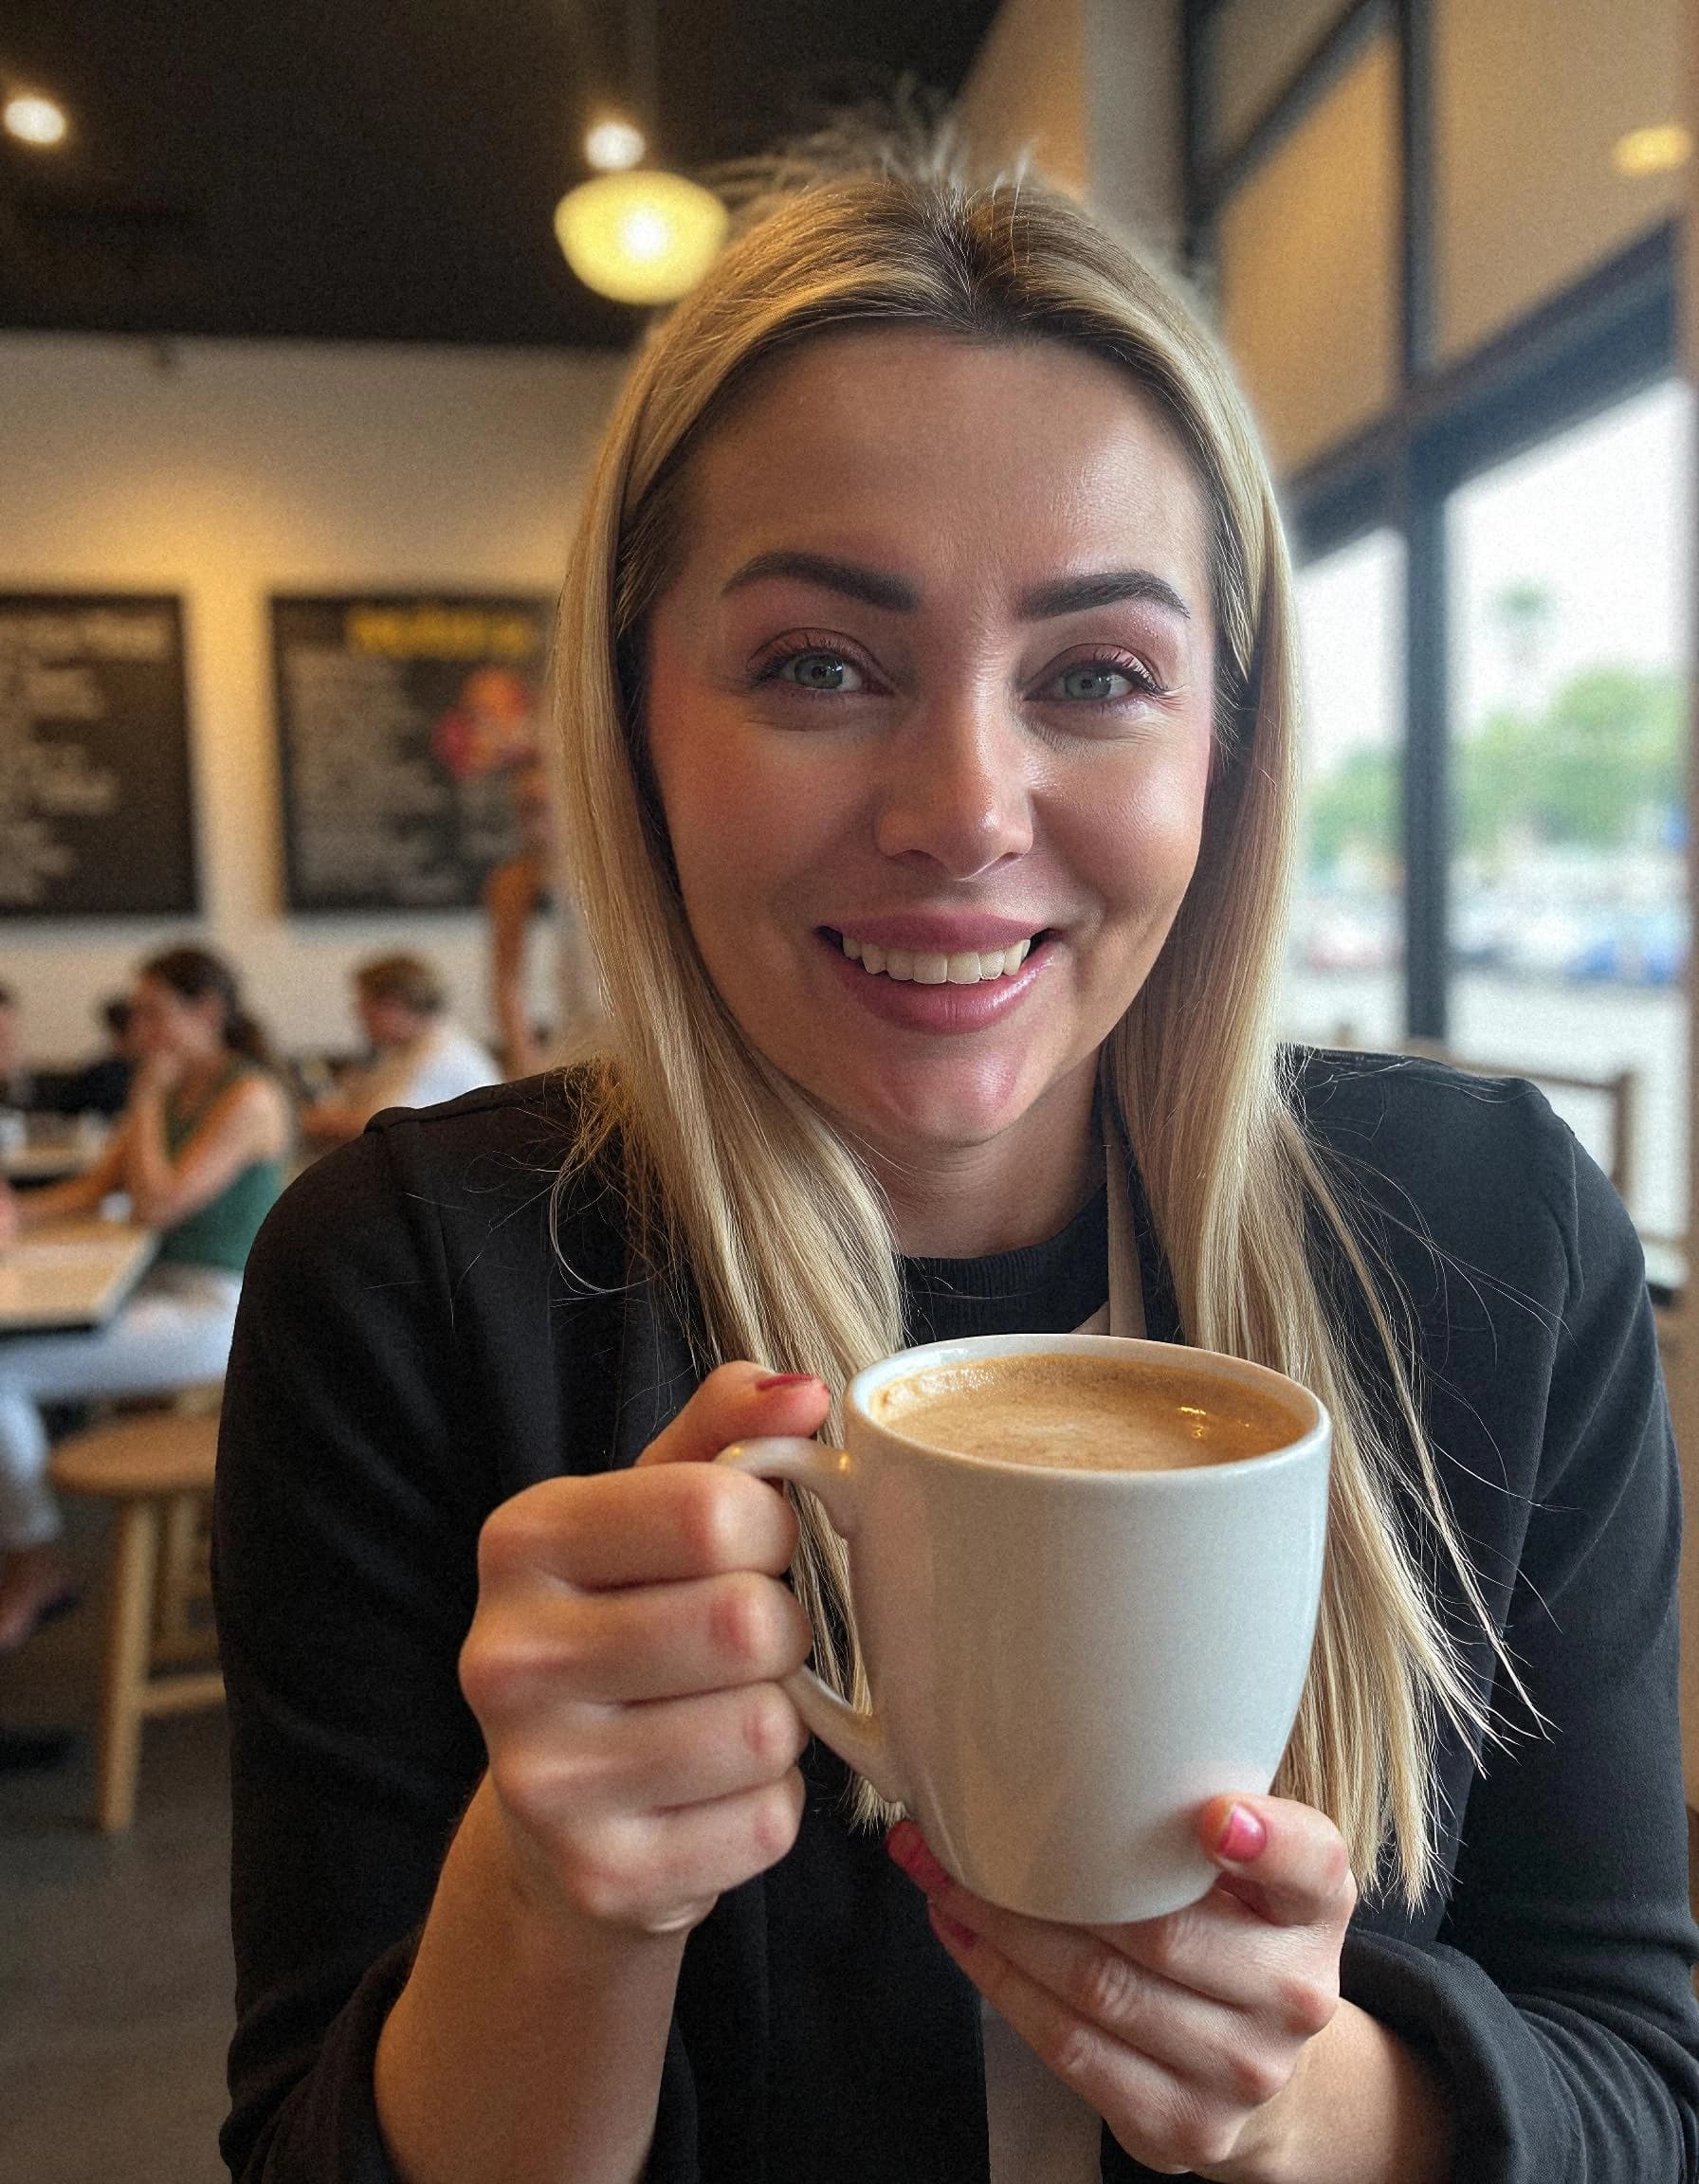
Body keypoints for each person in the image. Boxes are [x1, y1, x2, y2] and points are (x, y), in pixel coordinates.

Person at [213, 158, 1699, 2184]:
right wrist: (554, 1906)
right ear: (639, 716)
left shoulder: (1487, 1235)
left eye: (1091, 675)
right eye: (821, 663)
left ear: (1223, 747)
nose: (961, 811)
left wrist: (1318, 2109)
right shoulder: (409, 1281)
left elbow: (1641, 2082)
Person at [0, 946, 289, 1651]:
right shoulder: (179, 1089)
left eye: (157, 1014)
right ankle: (27, 1537)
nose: (142, 1031)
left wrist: (148, 1099)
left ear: (209, 1013)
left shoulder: (248, 1097)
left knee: (2, 1370)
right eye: (140, 1015)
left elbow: (156, 1203)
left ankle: (34, 1562)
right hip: (160, 1291)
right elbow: (97, 1188)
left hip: (218, 1314)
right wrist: (15, 1211)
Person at [298, 955, 497, 1151]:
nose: (358, 1016)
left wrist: (314, 1122)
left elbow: (386, 1126)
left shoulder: (443, 1057)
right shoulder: (404, 1049)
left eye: (363, 1005)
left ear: (392, 1004)